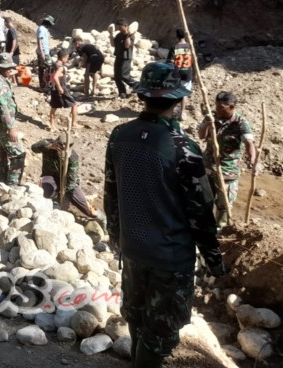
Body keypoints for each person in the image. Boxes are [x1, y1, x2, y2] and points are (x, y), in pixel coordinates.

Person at [104, 62, 226, 367]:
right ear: (178, 100)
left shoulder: (120, 135)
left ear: (143, 96)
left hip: (133, 250)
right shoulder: (184, 148)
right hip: (170, 259)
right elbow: (200, 213)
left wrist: (117, 238)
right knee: (160, 334)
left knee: (137, 318)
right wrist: (214, 260)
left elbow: (111, 196)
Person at [197, 91, 257, 228]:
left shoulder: (241, 123)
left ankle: (220, 229)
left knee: (224, 203)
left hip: (228, 170)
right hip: (208, 167)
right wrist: (207, 123)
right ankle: (202, 229)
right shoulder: (211, 116)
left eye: (222, 108)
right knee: (204, 200)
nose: (218, 110)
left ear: (232, 107)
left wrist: (252, 160)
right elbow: (201, 136)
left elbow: (249, 143)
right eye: (217, 106)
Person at [31, 137, 95, 218]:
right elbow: (33, 148)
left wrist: (65, 202)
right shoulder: (48, 144)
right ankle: (52, 203)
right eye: (60, 148)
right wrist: (50, 146)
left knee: (87, 209)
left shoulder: (73, 157)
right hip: (50, 176)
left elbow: (71, 183)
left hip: (67, 180)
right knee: (46, 191)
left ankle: (102, 218)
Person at [0, 54, 26, 185]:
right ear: (0, 68)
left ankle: (0, 183)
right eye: (7, 67)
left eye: (11, 67)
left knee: (2, 154)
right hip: (2, 125)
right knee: (18, 154)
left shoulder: (1, 79)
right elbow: (2, 106)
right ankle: (13, 186)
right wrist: (11, 128)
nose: (10, 69)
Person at [49, 49, 78, 132]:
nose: (67, 60)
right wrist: (60, 88)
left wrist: (50, 84)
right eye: (67, 58)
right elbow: (55, 77)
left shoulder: (52, 65)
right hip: (61, 88)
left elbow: (46, 76)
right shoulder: (60, 67)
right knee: (74, 104)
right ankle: (74, 123)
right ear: (63, 58)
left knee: (53, 107)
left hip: (52, 88)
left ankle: (52, 126)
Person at [169, 28, 194, 120]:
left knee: (174, 93)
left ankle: (171, 111)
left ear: (177, 36)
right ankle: (182, 113)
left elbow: (170, 61)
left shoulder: (174, 47)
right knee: (184, 94)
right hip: (187, 73)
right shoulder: (190, 46)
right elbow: (194, 59)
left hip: (177, 73)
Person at [111, 18, 137, 99]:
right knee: (117, 77)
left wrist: (128, 35)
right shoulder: (119, 35)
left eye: (120, 27)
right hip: (118, 57)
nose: (119, 28)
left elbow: (127, 45)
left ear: (126, 26)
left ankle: (138, 85)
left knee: (124, 76)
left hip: (126, 58)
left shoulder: (131, 35)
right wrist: (111, 34)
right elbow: (113, 44)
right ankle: (122, 94)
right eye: (118, 27)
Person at [35, 15, 55, 88]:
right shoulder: (42, 29)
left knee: (43, 69)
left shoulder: (43, 29)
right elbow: (39, 41)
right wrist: (42, 53)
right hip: (43, 53)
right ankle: (47, 86)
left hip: (44, 52)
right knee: (49, 68)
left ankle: (43, 86)